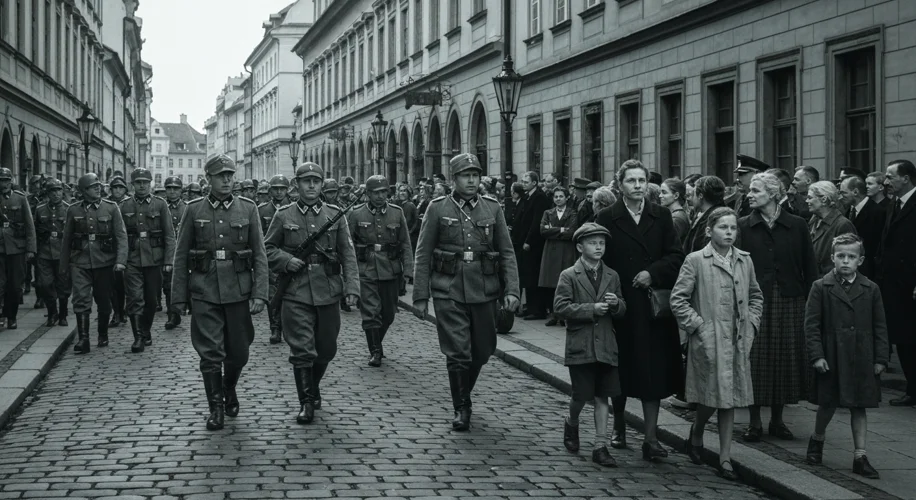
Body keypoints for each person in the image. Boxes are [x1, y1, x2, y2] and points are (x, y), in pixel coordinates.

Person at [413, 152, 520, 431]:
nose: (471, 180)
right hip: (448, 287)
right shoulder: (437, 208)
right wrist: (420, 295)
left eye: (475, 174)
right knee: (458, 351)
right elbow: (423, 253)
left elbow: (507, 253)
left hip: (485, 288)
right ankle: (462, 406)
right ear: (454, 179)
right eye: (465, 175)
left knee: (483, 350)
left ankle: (464, 392)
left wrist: (512, 290)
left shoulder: (493, 208)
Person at [595, 160, 685, 460]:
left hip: (651, 309)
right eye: (631, 180)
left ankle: (651, 438)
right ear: (620, 184)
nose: (637, 186)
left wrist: (653, 273)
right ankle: (619, 424)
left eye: (641, 180)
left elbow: (676, 256)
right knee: (619, 370)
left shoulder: (661, 216)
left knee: (653, 374)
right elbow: (597, 258)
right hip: (620, 306)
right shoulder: (607, 217)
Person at [171, 154, 269, 431]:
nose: (227, 180)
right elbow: (180, 257)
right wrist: (178, 297)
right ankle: (215, 409)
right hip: (204, 289)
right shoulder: (194, 209)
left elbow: (260, 254)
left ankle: (229, 386)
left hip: (238, 289)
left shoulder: (248, 209)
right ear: (208, 179)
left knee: (239, 352)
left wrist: (260, 293)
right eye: (220, 176)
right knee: (210, 352)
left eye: (230, 175)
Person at [671, 207, 764, 481]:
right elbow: (678, 299)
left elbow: (756, 295)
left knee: (730, 399)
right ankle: (697, 431)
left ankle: (725, 457)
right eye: (723, 227)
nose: (729, 233)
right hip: (709, 339)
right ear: (709, 230)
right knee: (711, 396)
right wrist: (698, 326)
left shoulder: (745, 261)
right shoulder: (696, 260)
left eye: (733, 228)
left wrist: (752, 323)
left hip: (737, 339)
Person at [264, 162, 359, 424]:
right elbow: (267, 248)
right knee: (302, 349)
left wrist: (352, 288)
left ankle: (313, 386)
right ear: (297, 185)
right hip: (296, 291)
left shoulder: (335, 214)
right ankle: (306, 401)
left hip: (328, 289)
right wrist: (285, 261)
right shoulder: (284, 215)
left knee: (326, 349)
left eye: (316, 181)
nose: (312, 186)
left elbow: (348, 254)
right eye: (306, 181)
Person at [737, 172, 817, 442]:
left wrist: (811, 302)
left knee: (784, 359)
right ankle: (755, 422)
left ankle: (778, 421)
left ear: (772, 194)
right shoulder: (743, 226)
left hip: (789, 298)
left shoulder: (797, 225)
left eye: (756, 190)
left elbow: (810, 266)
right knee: (754, 360)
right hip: (754, 300)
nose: (750, 194)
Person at [803, 232, 887, 479]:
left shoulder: (871, 289)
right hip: (832, 356)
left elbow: (880, 326)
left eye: (852, 256)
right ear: (832, 258)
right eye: (841, 256)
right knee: (827, 403)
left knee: (859, 407)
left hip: (862, 357)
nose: (846, 261)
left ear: (860, 260)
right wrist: (817, 355)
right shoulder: (821, 287)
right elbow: (811, 325)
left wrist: (881, 359)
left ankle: (860, 455)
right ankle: (817, 440)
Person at [554, 222, 626, 468]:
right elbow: (560, 307)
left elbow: (623, 309)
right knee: (581, 395)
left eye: (602, 243)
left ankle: (600, 445)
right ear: (579, 246)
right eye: (593, 243)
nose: (598, 247)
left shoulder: (612, 275)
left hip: (606, 345)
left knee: (603, 396)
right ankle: (571, 422)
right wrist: (590, 309)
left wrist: (616, 303)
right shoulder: (568, 275)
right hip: (581, 344)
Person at [348, 175, 413, 367]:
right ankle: (375, 350)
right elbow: (348, 245)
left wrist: (408, 269)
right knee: (370, 311)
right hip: (365, 268)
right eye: (375, 193)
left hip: (390, 269)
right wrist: (349, 274)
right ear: (367, 194)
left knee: (389, 313)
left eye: (383, 192)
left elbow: (405, 243)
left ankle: (377, 341)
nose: (380, 196)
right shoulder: (356, 214)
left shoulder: (396, 212)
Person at [60, 173, 128, 353]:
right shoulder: (73, 210)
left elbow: (121, 236)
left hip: (104, 262)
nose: (98, 188)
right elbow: (66, 240)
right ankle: (84, 339)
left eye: (98, 185)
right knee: (81, 299)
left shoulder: (111, 208)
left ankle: (102, 333)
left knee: (104, 301)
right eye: (92, 186)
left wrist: (120, 261)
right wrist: (63, 266)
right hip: (79, 261)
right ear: (83, 191)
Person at [118, 168, 176, 353]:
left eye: (145, 182)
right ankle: (139, 337)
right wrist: (120, 259)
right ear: (132, 185)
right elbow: (119, 235)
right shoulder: (124, 206)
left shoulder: (160, 205)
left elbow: (169, 235)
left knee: (151, 300)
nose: (142, 186)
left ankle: (146, 329)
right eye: (138, 183)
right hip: (132, 259)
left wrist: (168, 260)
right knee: (135, 298)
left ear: (150, 183)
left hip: (154, 259)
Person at [877, 159, 916, 407]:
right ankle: (913, 389)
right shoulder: (895, 203)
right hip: (894, 283)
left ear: (906, 178)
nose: (886, 182)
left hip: (911, 284)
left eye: (890, 177)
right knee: (903, 337)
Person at [0, 168, 36, 330]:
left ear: (11, 181)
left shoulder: (20, 199)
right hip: (0, 248)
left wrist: (31, 249)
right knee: (0, 284)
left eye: (7, 180)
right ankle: (1, 315)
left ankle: (12, 315)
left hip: (17, 249)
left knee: (15, 285)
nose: (4, 184)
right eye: (1, 180)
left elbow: (29, 225)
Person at [539, 187, 579, 327]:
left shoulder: (572, 213)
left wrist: (553, 229)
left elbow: (572, 232)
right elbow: (543, 231)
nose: (558, 199)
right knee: (551, 283)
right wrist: (561, 229)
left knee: (565, 282)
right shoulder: (548, 213)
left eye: (561, 196)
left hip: (566, 250)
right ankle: (554, 314)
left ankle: (564, 315)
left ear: (567, 198)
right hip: (551, 250)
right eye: (556, 196)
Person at [259, 174, 292, 345]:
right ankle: (275, 328)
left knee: (290, 294)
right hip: (270, 259)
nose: (279, 192)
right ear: (270, 191)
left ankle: (288, 326)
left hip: (290, 257)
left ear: (288, 190)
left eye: (282, 189)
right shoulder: (262, 210)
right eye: (275, 189)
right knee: (273, 295)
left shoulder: (293, 209)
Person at [33, 179, 70, 327]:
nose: (56, 194)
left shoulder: (68, 209)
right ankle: (52, 312)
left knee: (63, 285)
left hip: (62, 253)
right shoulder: (40, 209)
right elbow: (35, 231)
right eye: (52, 191)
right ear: (47, 193)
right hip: (45, 253)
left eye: (58, 190)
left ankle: (62, 315)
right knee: (45, 284)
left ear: (62, 191)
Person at [517, 171, 552, 320]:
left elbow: (536, 221)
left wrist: (529, 241)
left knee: (534, 275)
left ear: (534, 183)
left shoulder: (539, 197)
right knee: (527, 275)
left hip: (534, 244)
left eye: (526, 181)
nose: (523, 184)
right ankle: (530, 306)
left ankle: (538, 309)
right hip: (524, 240)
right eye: (523, 181)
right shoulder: (527, 196)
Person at [806, 181, 856, 276]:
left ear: (824, 199)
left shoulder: (842, 225)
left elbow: (847, 263)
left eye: (810, 198)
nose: (806, 201)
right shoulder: (814, 221)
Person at [839, 176, 884, 279]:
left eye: (843, 193)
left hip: (868, 272)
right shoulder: (848, 211)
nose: (840, 197)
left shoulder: (877, 212)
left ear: (855, 192)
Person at [105, 175, 130, 328]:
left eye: (121, 187)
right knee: (113, 284)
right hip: (110, 248)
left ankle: (125, 310)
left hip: (129, 248)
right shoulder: (106, 204)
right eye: (115, 188)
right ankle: (117, 312)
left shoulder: (130, 204)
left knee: (127, 283)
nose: (118, 190)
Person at [163, 176, 186, 330]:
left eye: (175, 188)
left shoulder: (187, 207)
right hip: (167, 251)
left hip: (184, 250)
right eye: (169, 188)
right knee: (168, 284)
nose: (172, 191)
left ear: (181, 191)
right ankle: (173, 315)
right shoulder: (161, 206)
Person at [683, 176, 726, 254]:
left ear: (700, 196)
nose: (692, 198)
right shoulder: (702, 215)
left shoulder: (714, 219)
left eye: (693, 194)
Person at [659, 178, 690, 244]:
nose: (660, 196)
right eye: (660, 192)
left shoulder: (677, 218)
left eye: (664, 192)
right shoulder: (674, 215)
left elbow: (667, 243)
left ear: (676, 195)